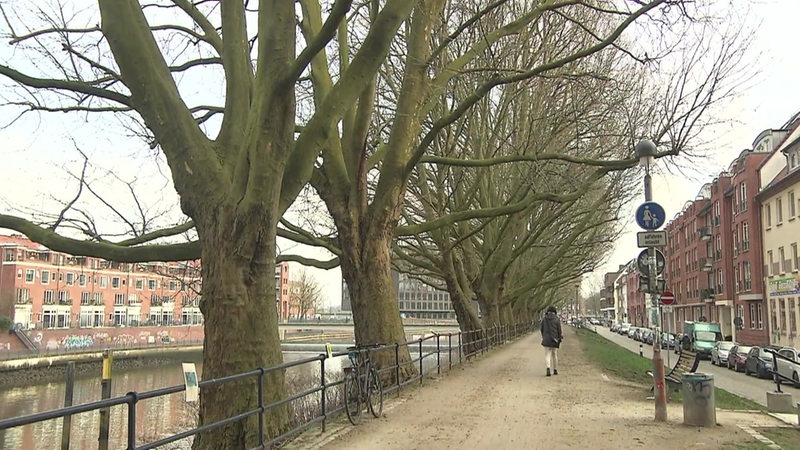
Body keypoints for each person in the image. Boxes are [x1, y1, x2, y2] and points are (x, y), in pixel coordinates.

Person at [540, 306, 563, 376]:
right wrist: (559, 337)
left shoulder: (544, 319)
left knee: (547, 354)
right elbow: (559, 329)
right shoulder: (557, 319)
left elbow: (541, 329)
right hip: (554, 339)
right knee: (554, 354)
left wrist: (543, 336)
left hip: (546, 339)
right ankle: (555, 369)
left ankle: (548, 368)